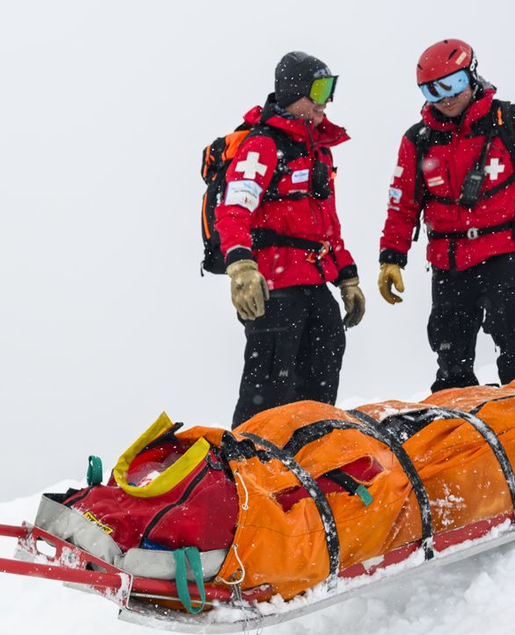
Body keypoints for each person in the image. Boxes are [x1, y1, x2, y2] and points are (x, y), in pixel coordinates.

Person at [215, 52, 365, 426]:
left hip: (314, 284)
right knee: (270, 390)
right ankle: (249, 459)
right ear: (294, 92)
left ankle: (310, 457)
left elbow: (328, 223)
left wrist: (347, 275)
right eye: (318, 89)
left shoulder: (318, 151)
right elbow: (233, 209)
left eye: (330, 89)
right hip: (275, 287)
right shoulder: (264, 145)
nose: (324, 101)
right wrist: (241, 268)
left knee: (323, 368)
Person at [378, 40, 515, 390]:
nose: (445, 97)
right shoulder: (419, 141)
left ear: (471, 75)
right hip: (449, 265)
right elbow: (402, 205)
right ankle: (461, 433)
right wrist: (391, 259)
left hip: (505, 256)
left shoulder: (508, 124)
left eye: (452, 84)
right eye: (432, 89)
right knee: (450, 360)